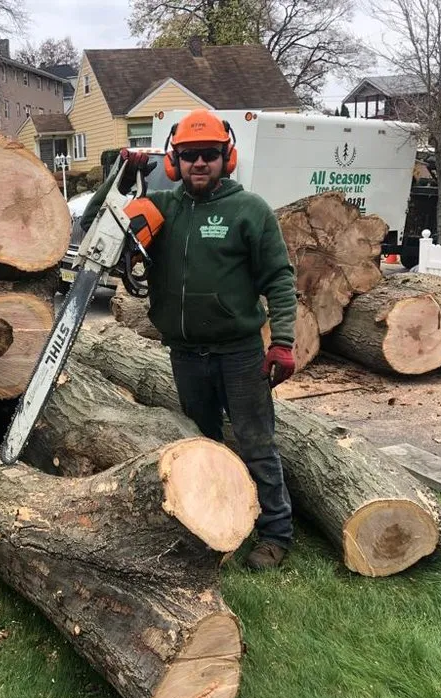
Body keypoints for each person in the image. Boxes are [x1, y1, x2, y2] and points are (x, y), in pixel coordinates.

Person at [80, 110, 298, 570]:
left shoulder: (249, 210)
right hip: (185, 353)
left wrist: (282, 341)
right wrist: (120, 174)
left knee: (257, 441)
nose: (200, 163)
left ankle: (276, 533)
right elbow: (94, 221)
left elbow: (279, 278)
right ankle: (214, 522)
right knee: (201, 441)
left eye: (210, 155)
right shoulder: (161, 205)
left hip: (239, 352)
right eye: (190, 156)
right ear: (176, 161)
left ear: (227, 157)